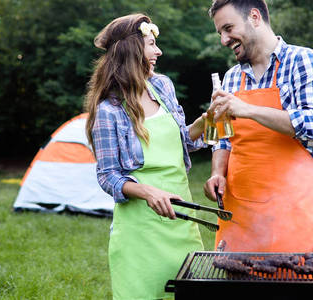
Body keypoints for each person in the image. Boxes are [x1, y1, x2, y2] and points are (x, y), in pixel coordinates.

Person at [85, 14, 206, 299]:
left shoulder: (163, 87)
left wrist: (206, 120)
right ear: (132, 51)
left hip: (181, 217)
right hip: (140, 227)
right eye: (152, 44)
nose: (158, 51)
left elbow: (183, 142)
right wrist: (149, 192)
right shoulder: (108, 110)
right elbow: (107, 175)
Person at [204, 0, 313, 252]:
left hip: (288, 210)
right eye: (220, 33)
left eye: (228, 28)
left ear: (254, 17)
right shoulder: (230, 77)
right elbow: (221, 137)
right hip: (237, 210)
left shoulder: (303, 61)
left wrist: (248, 110)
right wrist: (217, 172)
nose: (224, 40)